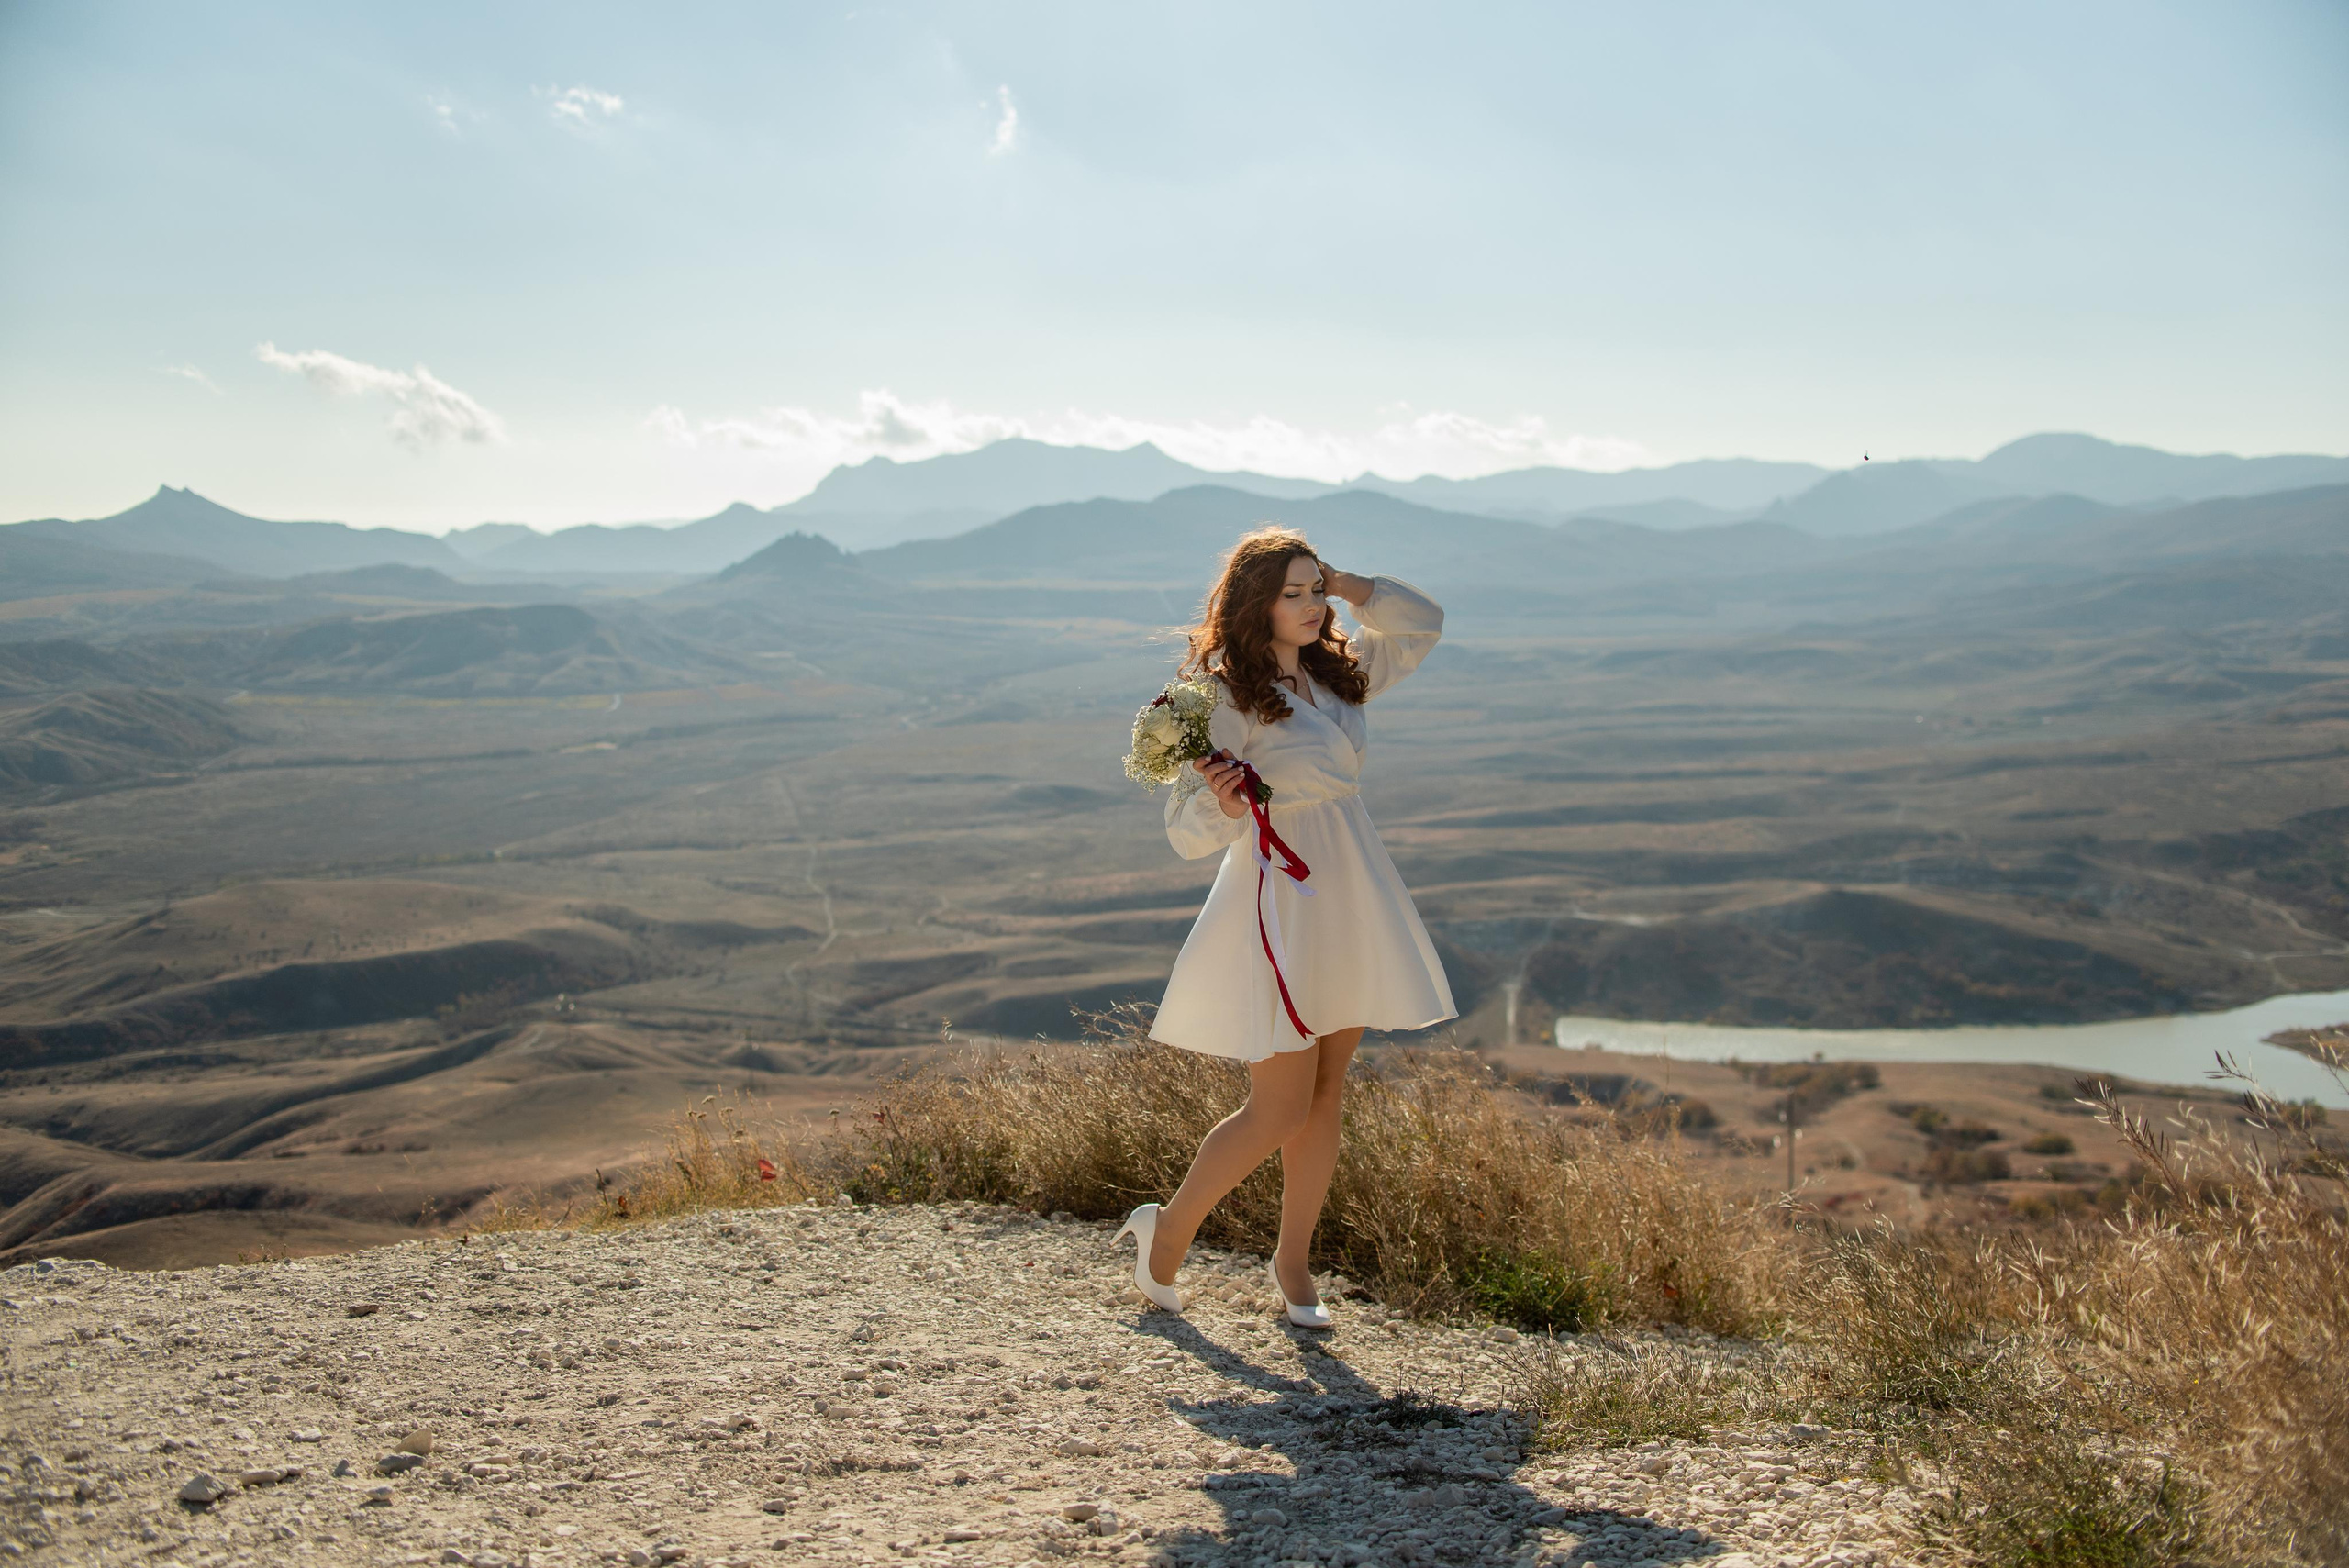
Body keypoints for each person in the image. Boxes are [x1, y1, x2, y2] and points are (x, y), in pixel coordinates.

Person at [1117, 527, 1455, 1327]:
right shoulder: (1229, 696)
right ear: (1254, 602)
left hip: (1352, 886)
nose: (1311, 606)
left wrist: (1350, 582)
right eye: (1293, 592)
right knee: (1278, 1106)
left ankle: (1294, 1263)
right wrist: (1227, 803)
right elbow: (1187, 826)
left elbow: (1425, 622)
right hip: (1279, 893)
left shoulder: (1340, 674)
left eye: (1316, 590)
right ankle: (1163, 1235)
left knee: (1330, 1091)